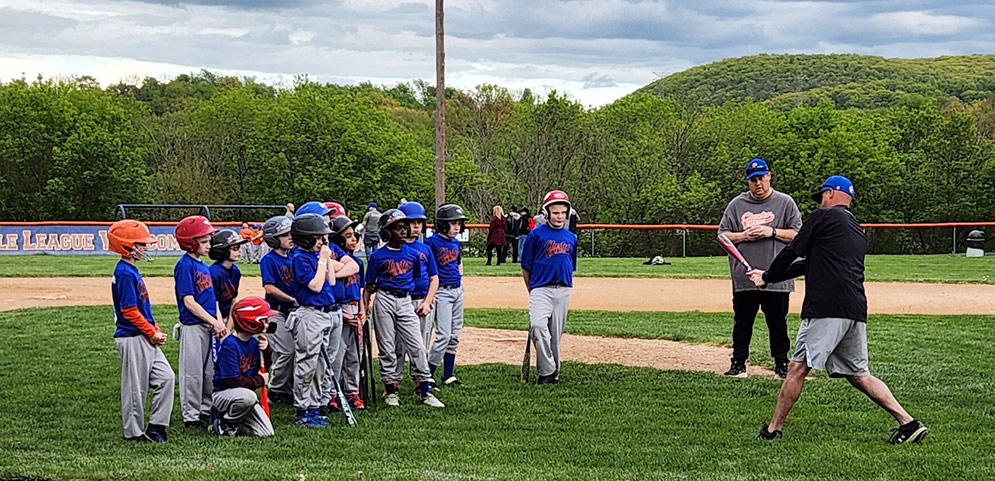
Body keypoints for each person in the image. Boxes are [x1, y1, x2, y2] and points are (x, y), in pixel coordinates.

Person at [748, 176, 928, 444]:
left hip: (826, 307)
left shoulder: (823, 217)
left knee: (797, 367)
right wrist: (770, 276)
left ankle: (772, 431)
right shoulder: (855, 228)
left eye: (822, 195)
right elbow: (808, 264)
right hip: (854, 309)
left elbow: (793, 251)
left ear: (831, 193)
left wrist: (767, 275)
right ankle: (908, 422)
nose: (821, 201)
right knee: (858, 374)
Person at [717, 158, 802, 379]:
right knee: (743, 323)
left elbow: (798, 236)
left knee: (777, 324)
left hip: (776, 277)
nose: (758, 183)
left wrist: (771, 232)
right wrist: (743, 235)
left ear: (769, 176)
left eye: (761, 178)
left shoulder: (785, 203)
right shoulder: (736, 205)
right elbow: (722, 235)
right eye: (753, 179)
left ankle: (781, 365)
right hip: (745, 277)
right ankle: (738, 364)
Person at [364, 209, 445, 408]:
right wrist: (364, 307)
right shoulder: (377, 256)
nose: (402, 231)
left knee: (417, 345)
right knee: (387, 347)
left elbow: (419, 276)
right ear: (386, 232)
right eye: (397, 228)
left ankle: (424, 390)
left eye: (403, 227)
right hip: (384, 299)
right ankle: (391, 390)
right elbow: (369, 284)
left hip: (406, 301)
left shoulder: (414, 253)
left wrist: (425, 300)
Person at [109, 220, 174, 443]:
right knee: (135, 389)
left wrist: (154, 328)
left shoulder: (131, 270)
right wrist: (151, 332)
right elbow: (129, 310)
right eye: (141, 244)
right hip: (133, 337)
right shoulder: (125, 272)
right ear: (126, 245)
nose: (145, 248)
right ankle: (134, 433)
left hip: (144, 335)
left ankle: (157, 426)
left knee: (166, 378)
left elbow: (141, 308)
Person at [287, 212, 347, 427]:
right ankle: (302, 410)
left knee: (321, 364)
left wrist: (327, 259)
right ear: (306, 238)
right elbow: (315, 285)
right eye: (319, 237)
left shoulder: (316, 257)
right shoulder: (300, 258)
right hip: (310, 314)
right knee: (307, 363)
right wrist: (322, 260)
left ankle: (314, 407)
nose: (323, 241)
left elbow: (331, 280)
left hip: (325, 314)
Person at [174, 215, 227, 429]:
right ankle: (191, 415)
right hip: (193, 326)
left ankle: (205, 409)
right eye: (204, 242)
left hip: (208, 325)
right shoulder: (184, 266)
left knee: (208, 372)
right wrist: (212, 321)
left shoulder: (204, 266)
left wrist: (219, 322)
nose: (209, 245)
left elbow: (211, 299)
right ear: (190, 243)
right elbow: (188, 301)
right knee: (192, 373)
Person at [521, 190, 578, 384]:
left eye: (563, 212)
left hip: (563, 289)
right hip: (540, 289)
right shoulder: (536, 235)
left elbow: (571, 265)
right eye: (555, 213)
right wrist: (533, 290)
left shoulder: (571, 237)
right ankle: (547, 370)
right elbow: (525, 267)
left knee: (555, 335)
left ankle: (553, 374)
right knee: (537, 326)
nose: (560, 216)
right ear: (546, 213)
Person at [209, 296, 276, 438]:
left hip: (244, 396)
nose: (266, 324)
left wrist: (266, 351)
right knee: (249, 397)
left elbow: (265, 367)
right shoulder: (230, 346)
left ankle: (236, 421)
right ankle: (224, 422)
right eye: (263, 320)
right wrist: (259, 380)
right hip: (225, 394)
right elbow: (231, 381)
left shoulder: (253, 343)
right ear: (250, 322)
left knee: (266, 433)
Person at [395, 202, 439, 387]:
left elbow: (434, 278)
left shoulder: (425, 249)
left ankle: (420, 380)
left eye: (419, 223)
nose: (415, 226)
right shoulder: (395, 249)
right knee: (397, 345)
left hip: (422, 301)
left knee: (420, 344)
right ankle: (394, 381)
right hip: (402, 301)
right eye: (411, 222)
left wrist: (428, 302)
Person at [426, 204, 469, 387]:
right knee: (443, 334)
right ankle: (428, 373)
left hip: (456, 290)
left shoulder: (455, 243)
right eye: (453, 223)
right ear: (443, 225)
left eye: (459, 223)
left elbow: (458, 263)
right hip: (441, 291)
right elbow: (427, 268)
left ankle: (448, 375)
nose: (457, 227)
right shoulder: (432, 243)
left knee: (454, 335)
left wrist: (461, 280)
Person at [329, 215, 367, 410]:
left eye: (354, 236)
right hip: (340, 310)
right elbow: (331, 295)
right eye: (349, 236)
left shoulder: (357, 263)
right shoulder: (332, 260)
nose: (354, 240)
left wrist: (362, 311)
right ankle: (332, 392)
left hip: (355, 309)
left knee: (355, 354)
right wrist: (346, 317)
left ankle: (352, 390)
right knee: (337, 354)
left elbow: (360, 291)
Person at [259, 215, 297, 404]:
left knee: (298, 351)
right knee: (287, 350)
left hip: (294, 311)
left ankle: (288, 388)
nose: (290, 237)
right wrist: (292, 299)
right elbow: (269, 288)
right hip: (275, 312)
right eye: (284, 235)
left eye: (291, 233)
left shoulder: (294, 256)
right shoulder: (269, 260)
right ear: (273, 238)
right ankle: (276, 388)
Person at [208, 230, 248, 323]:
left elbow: (233, 300)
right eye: (235, 248)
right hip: (213, 319)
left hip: (226, 317)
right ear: (223, 250)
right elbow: (214, 303)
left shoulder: (236, 271)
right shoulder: (214, 273)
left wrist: (229, 326)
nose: (239, 251)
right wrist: (220, 325)